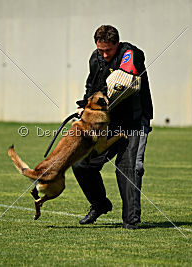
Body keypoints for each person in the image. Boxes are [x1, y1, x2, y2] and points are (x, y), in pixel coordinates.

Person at [72, 25, 153, 230]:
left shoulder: (130, 53)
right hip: (108, 123)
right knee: (81, 163)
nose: (105, 55)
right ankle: (100, 204)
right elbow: (91, 87)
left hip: (134, 123)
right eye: (101, 50)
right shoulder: (95, 58)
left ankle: (131, 221)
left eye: (109, 50)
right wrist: (86, 108)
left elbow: (127, 76)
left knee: (127, 169)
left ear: (117, 44)